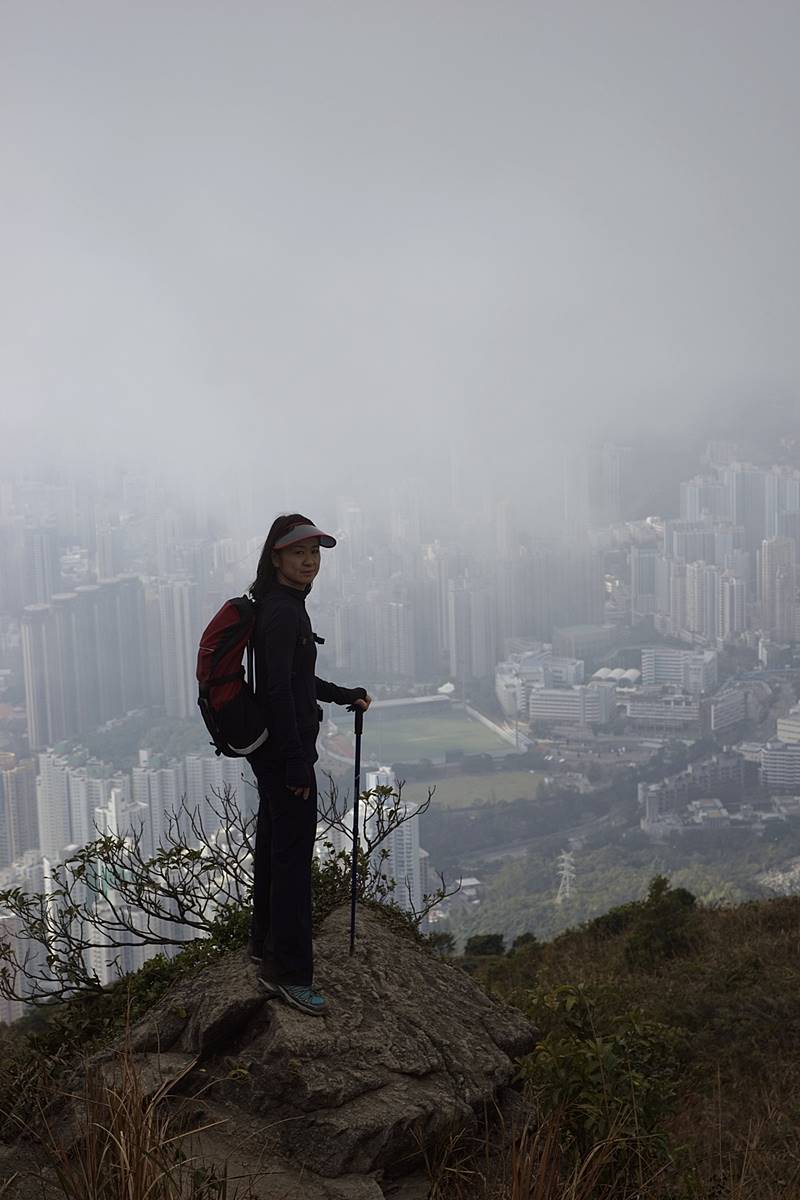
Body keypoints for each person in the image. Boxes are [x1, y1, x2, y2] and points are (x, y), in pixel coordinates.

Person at [246, 512, 371, 1016]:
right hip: (286, 754)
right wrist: (297, 764)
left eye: (314, 552)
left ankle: (263, 946)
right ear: (276, 556)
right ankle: (290, 975)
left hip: (274, 753)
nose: (309, 561)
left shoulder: (281, 605)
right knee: (293, 866)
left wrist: (343, 694)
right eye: (298, 552)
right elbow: (277, 692)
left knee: (274, 849)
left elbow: (297, 680)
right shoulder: (283, 613)